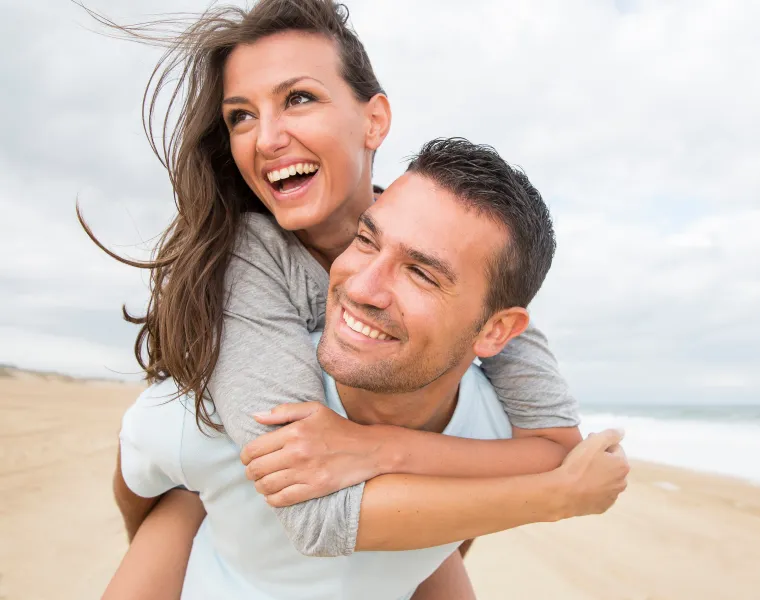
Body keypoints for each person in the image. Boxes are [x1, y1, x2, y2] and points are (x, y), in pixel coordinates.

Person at [109, 138, 629, 600]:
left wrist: (388, 463)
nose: (360, 288)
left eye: (421, 273)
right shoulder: (232, 411)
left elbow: (457, 530)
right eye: (366, 241)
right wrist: (170, 532)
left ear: (497, 332)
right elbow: (137, 474)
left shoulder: (500, 435)